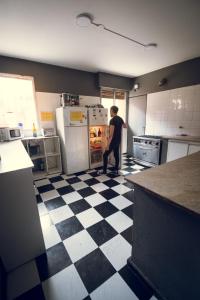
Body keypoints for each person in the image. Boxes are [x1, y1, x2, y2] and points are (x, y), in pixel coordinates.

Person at [98, 105, 126, 175]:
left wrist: (108, 145)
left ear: (112, 111)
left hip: (113, 141)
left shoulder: (112, 120)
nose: (110, 112)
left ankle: (104, 171)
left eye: (110, 111)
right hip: (118, 140)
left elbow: (111, 135)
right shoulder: (120, 118)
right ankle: (116, 168)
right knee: (116, 154)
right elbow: (125, 126)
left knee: (105, 155)